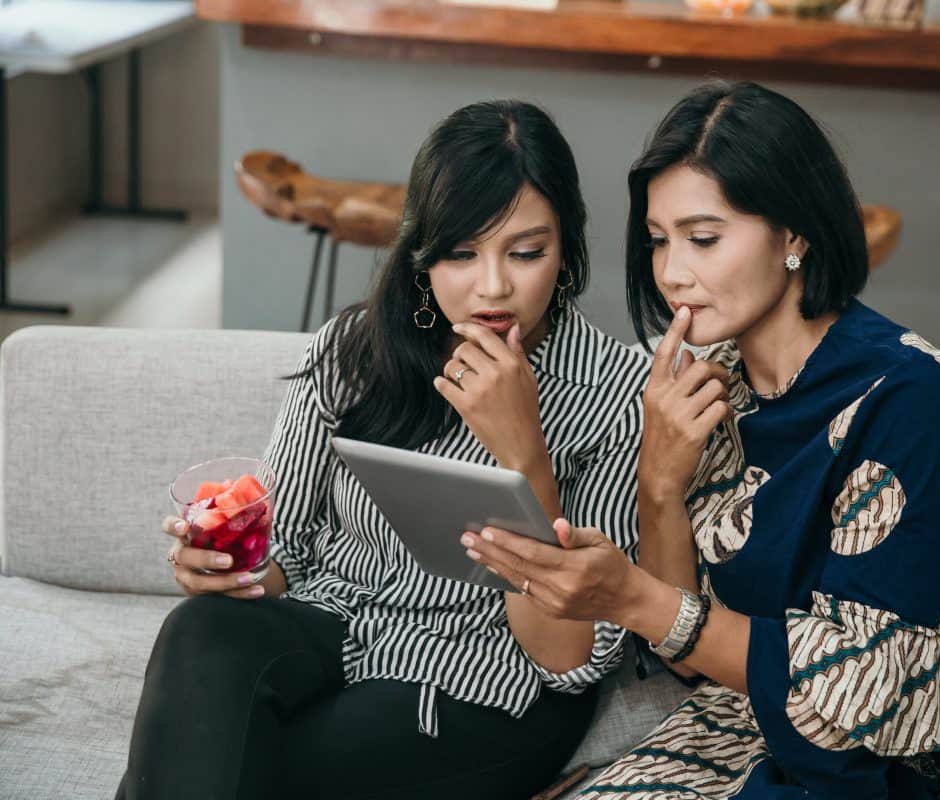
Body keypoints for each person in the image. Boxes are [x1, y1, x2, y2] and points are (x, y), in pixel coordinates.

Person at [464, 81, 940, 799]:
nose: (671, 273)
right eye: (658, 241)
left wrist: (631, 597)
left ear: (795, 233)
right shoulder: (710, 381)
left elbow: (857, 711)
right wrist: (658, 481)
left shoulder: (911, 400)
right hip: (752, 723)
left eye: (704, 238)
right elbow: (686, 658)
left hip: (916, 762)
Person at [117, 99, 649, 800]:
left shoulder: (616, 394)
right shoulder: (356, 350)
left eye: (526, 252)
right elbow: (290, 557)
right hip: (335, 628)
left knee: (223, 759)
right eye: (461, 253)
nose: (493, 287)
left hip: (481, 681)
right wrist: (226, 568)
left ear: (567, 250)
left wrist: (526, 453)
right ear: (423, 253)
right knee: (200, 631)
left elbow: (564, 659)